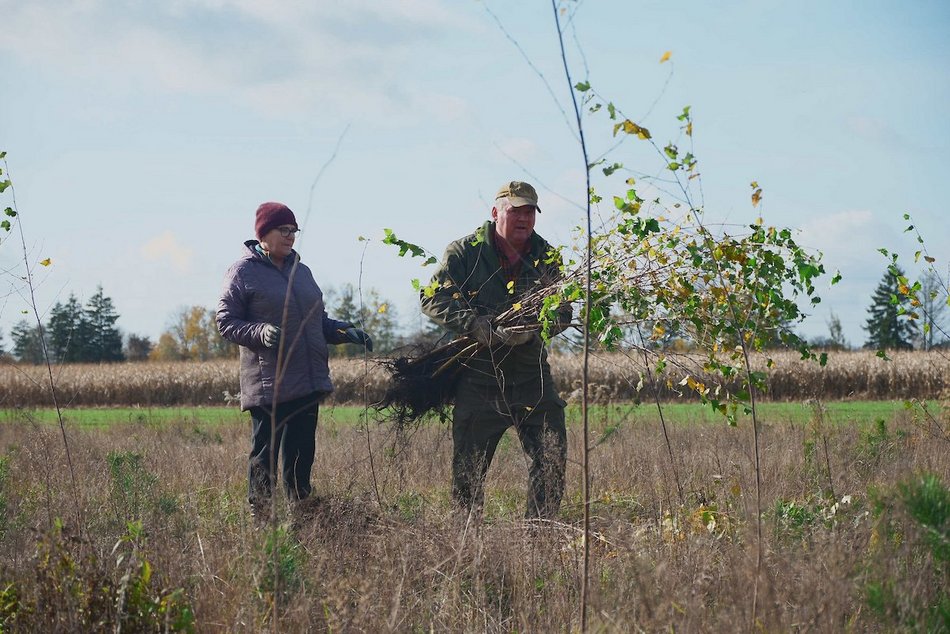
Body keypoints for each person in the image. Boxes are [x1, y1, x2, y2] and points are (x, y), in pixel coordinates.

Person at [421, 181, 572, 520]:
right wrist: (475, 325)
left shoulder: (546, 256)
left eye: (529, 211)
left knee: (551, 457)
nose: (523, 218)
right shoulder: (465, 252)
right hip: (480, 377)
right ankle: (467, 541)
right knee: (469, 472)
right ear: (495, 212)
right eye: (515, 210)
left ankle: (540, 536)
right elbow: (432, 297)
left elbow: (563, 312)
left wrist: (535, 329)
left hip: (531, 375)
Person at [216, 201, 373, 520]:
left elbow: (317, 321)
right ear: (263, 233)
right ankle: (261, 521)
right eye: (283, 230)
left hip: (307, 379)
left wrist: (344, 332)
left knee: (301, 456)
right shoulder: (242, 271)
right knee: (265, 456)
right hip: (269, 382)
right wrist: (259, 331)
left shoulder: (302, 271)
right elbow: (226, 321)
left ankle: (302, 517)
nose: (290, 237)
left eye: (294, 231)